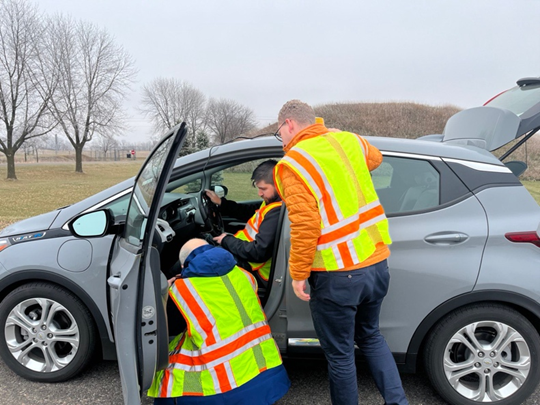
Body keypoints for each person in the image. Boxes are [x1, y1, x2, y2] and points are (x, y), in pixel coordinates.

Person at [273, 100, 408, 405]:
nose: (280, 137)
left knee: (341, 356)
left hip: (337, 274)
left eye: (278, 130)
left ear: (289, 124)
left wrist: (298, 274)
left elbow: (305, 225)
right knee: (371, 337)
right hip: (375, 264)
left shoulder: (294, 163)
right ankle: (399, 403)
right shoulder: (347, 140)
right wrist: (337, 132)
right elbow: (375, 158)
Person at [148, 238, 290, 405]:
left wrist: (166, 293)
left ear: (183, 267)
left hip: (224, 388)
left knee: (169, 364)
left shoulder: (181, 290)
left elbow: (168, 328)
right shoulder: (244, 275)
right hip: (269, 375)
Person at [205, 160, 282, 284]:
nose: (259, 193)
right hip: (247, 256)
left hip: (256, 269)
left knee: (202, 260)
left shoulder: (277, 212)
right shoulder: (272, 202)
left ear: (279, 184)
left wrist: (227, 240)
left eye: (263, 189)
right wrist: (221, 203)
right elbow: (249, 211)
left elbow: (258, 252)